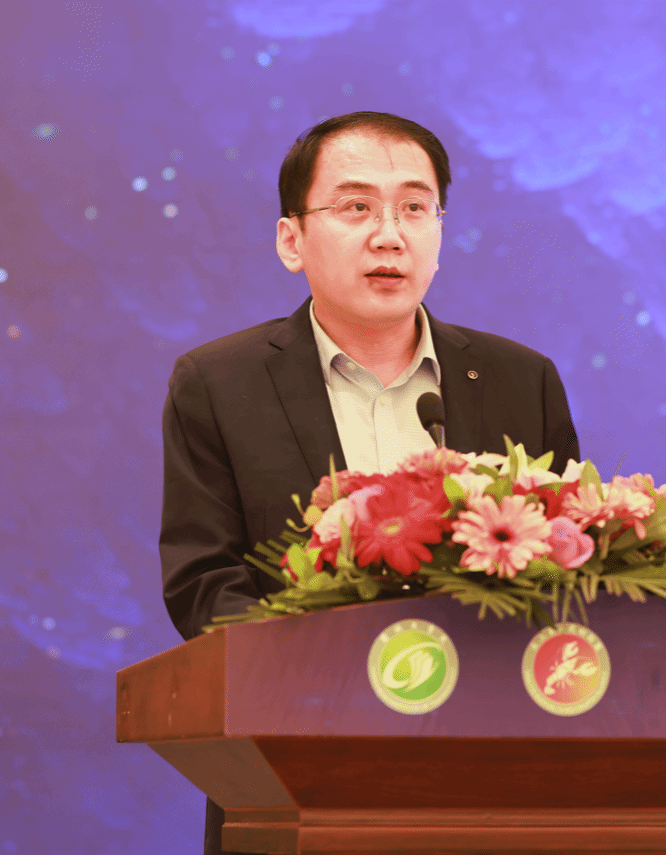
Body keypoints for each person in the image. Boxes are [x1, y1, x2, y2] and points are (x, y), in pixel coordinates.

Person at [158, 111, 580, 854]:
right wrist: (340, 678)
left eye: (415, 208)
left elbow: (570, 568)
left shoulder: (522, 380)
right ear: (292, 240)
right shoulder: (218, 385)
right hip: (299, 779)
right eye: (356, 207)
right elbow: (204, 584)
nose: (390, 235)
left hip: (493, 783)